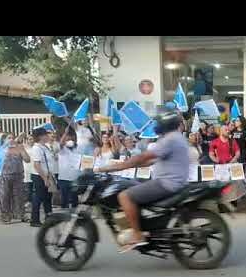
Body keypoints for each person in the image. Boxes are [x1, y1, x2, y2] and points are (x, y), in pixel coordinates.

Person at [95, 108, 189, 253]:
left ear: (165, 123)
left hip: (166, 184)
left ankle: (138, 235)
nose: (155, 125)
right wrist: (129, 164)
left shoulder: (170, 139)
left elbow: (142, 157)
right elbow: (149, 161)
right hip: (170, 182)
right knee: (134, 188)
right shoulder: (175, 137)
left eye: (158, 122)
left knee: (124, 196)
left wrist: (113, 167)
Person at [0, 133, 31, 223]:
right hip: (5, 176)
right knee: (4, 197)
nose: (11, 139)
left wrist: (22, 150)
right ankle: (5, 216)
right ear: (4, 140)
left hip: (18, 176)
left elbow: (27, 160)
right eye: (9, 138)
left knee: (19, 196)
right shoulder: (2, 149)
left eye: (12, 137)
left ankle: (20, 215)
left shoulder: (19, 148)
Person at [30, 128, 56, 227]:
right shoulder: (37, 148)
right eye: (46, 134)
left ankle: (49, 218)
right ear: (41, 136)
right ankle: (34, 220)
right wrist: (45, 179)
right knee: (39, 198)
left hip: (47, 175)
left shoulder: (44, 146)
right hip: (40, 176)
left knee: (47, 198)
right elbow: (37, 165)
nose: (48, 136)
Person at [58, 130, 80, 210]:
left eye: (72, 139)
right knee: (64, 199)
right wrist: (65, 133)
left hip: (75, 178)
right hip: (64, 178)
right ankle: (64, 214)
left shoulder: (78, 149)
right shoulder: (62, 149)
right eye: (68, 139)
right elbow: (60, 143)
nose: (70, 140)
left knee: (74, 198)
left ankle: (75, 216)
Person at [23, 133, 35, 208]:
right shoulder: (24, 148)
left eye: (32, 139)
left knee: (36, 188)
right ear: (27, 140)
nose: (31, 140)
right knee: (28, 187)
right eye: (29, 139)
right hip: (27, 170)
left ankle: (36, 201)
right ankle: (29, 201)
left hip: (35, 170)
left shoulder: (36, 148)